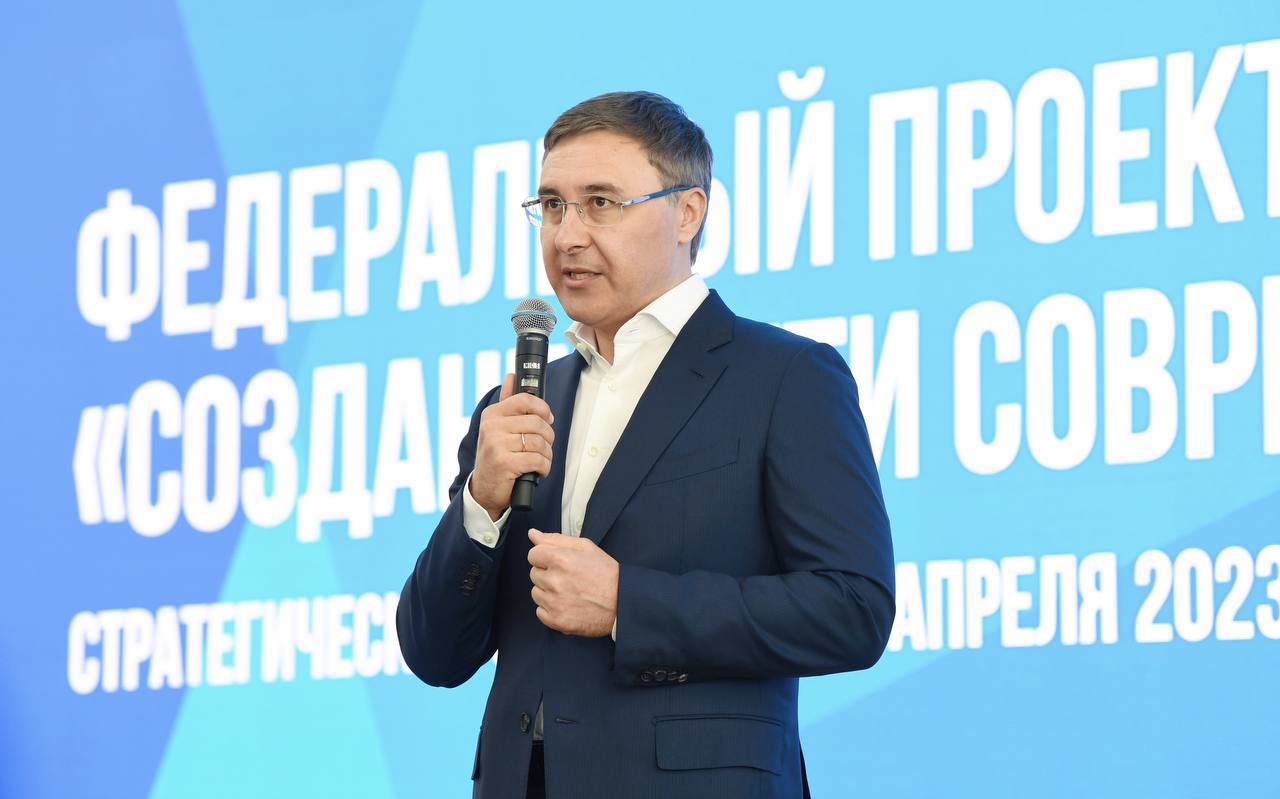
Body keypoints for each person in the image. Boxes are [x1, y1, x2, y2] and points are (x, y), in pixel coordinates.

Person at [397, 91, 895, 799]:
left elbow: (853, 609)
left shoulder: (785, 378)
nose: (567, 235)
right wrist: (482, 504)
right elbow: (434, 651)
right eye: (552, 205)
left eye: (600, 203)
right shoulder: (517, 409)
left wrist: (628, 604)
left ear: (687, 213)